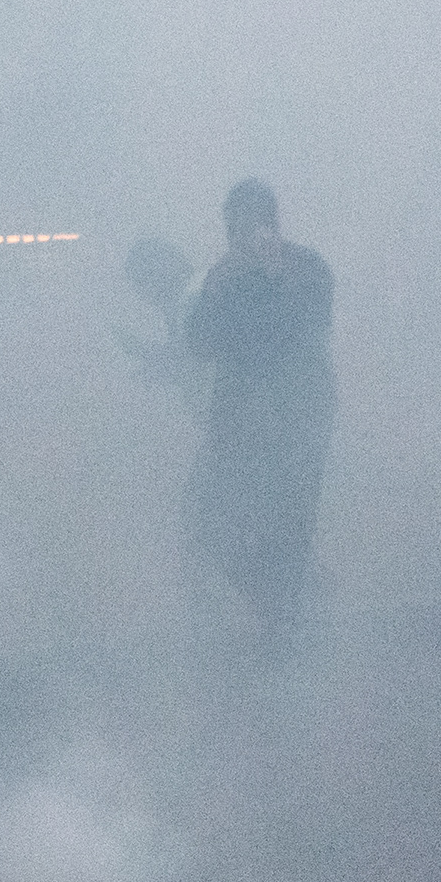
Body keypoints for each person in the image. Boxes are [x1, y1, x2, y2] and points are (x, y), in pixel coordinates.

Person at [182, 179, 333, 630]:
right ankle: (278, 608)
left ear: (273, 222)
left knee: (287, 526)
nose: (245, 235)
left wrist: (274, 277)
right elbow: (199, 343)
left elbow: (311, 330)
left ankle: (287, 624)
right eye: (236, 227)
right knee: (207, 519)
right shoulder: (224, 277)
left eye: (254, 223)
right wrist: (215, 288)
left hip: (298, 418)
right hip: (238, 421)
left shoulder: (305, 268)